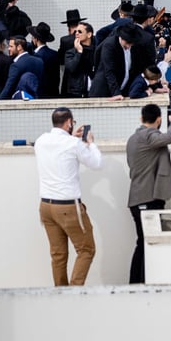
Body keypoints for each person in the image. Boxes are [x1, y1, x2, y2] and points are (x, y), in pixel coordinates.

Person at [35, 108, 102, 286]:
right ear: (69, 123)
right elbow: (96, 163)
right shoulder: (73, 144)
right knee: (86, 249)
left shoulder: (41, 141)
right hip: (68, 207)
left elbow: (60, 149)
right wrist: (90, 143)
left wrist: (74, 138)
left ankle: (60, 295)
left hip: (46, 206)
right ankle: (74, 293)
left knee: (58, 255)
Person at [125, 105, 171, 283]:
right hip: (147, 198)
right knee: (145, 244)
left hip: (139, 198)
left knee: (143, 243)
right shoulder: (148, 136)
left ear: (141, 118)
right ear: (158, 119)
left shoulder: (133, 138)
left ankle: (138, 282)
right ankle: (137, 283)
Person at [0, 35, 45, 99]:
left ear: (19, 47)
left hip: (22, 100)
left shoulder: (16, 66)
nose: (9, 49)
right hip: (39, 99)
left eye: (11, 46)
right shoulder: (39, 61)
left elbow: (8, 88)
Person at [62, 21, 95, 98]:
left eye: (80, 32)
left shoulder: (96, 51)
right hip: (76, 93)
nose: (76, 33)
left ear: (89, 34)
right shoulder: (70, 52)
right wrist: (79, 52)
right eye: (75, 31)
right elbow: (71, 68)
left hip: (93, 92)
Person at [29, 21, 60, 99]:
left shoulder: (35, 56)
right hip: (53, 93)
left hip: (41, 94)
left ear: (35, 39)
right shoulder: (55, 54)